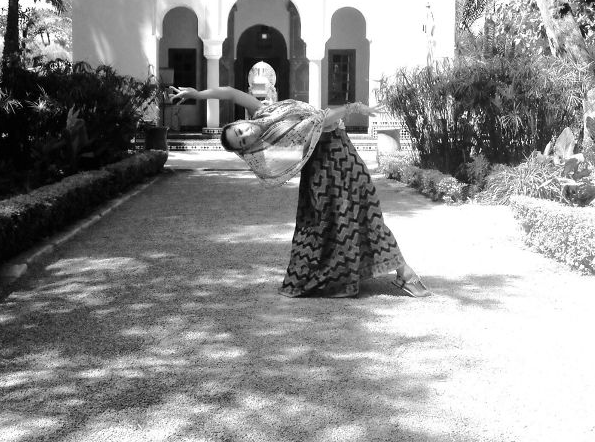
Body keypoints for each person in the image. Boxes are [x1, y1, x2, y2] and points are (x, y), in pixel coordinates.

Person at [170, 85, 431, 298]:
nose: (245, 134)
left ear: (240, 122)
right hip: (326, 168)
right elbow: (322, 121)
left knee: (362, 210)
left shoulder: (263, 112)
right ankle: (403, 272)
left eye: (239, 130)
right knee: (348, 218)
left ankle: (388, 271)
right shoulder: (271, 141)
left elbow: (230, 92)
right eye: (242, 141)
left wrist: (196, 95)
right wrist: (354, 108)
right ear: (246, 147)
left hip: (341, 152)